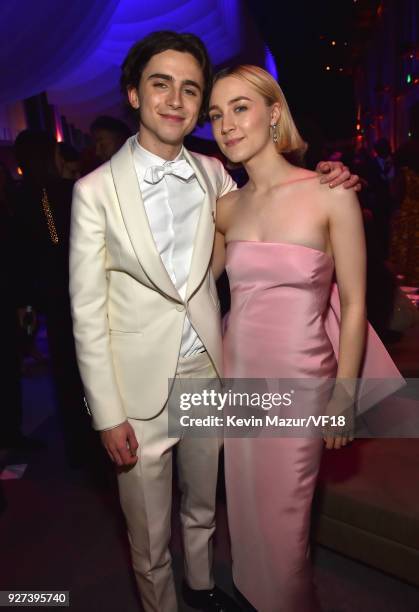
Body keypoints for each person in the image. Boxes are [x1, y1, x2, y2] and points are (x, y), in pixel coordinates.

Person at [69, 31, 360, 612]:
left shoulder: (215, 180)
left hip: (217, 374)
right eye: (160, 85)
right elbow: (85, 311)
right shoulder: (94, 191)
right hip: (141, 386)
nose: (178, 101)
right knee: (152, 534)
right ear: (133, 94)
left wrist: (337, 175)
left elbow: (287, 217)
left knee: (210, 509)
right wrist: (106, 412)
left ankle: (204, 593)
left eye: (190, 90)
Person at [209, 65, 401, 612]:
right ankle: (250, 595)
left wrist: (344, 397)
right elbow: (196, 289)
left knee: (288, 525)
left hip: (303, 382)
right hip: (239, 381)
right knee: (244, 513)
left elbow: (360, 302)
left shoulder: (330, 192)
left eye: (240, 107)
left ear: (274, 113)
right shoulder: (225, 207)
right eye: (217, 114)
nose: (227, 124)